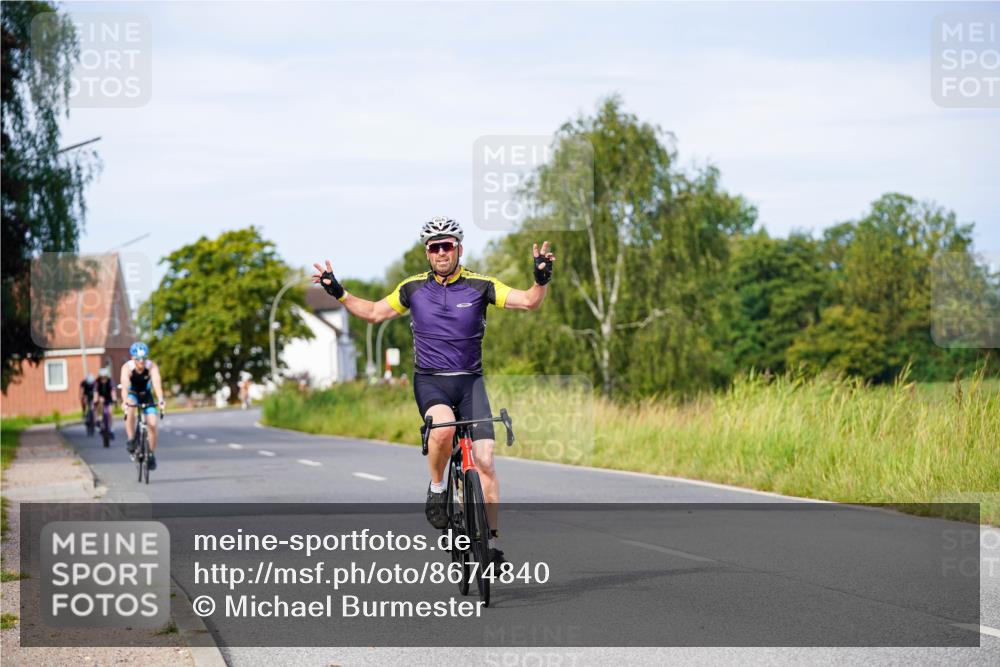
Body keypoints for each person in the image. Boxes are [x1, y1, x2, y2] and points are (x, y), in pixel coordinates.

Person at [313, 216, 555, 565]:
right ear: (427, 253)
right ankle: (438, 488)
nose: (442, 253)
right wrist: (338, 291)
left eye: (448, 246)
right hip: (431, 381)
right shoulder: (412, 289)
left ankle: (489, 543)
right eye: (435, 247)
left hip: (470, 382)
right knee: (441, 430)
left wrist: (541, 279)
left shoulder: (480, 285)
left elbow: (530, 301)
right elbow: (373, 313)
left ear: (459, 248)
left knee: (485, 460)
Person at [120, 342, 165, 470]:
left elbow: (156, 383)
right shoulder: (127, 368)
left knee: (152, 423)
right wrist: (125, 401)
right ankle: (131, 439)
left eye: (144, 358)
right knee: (130, 407)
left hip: (146, 394)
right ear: (132, 358)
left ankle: (151, 454)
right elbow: (124, 386)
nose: (141, 361)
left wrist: (161, 399)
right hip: (132, 394)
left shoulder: (151, 366)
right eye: (138, 359)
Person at [94, 367, 116, 438]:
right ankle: (98, 418)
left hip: (108, 397)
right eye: (102, 378)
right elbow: (96, 392)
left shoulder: (110, 381)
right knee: (98, 403)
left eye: (105, 378)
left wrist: (114, 398)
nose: (103, 379)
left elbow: (113, 391)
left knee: (110, 412)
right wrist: (96, 399)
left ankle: (111, 428)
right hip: (100, 397)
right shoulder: (97, 382)